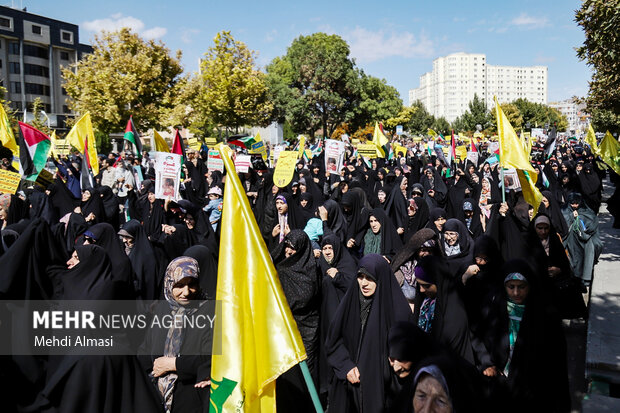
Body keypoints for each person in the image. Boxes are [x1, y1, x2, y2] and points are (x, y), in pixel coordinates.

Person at [473, 259, 570, 413]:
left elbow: (555, 356)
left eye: (522, 287)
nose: (516, 293)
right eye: (511, 287)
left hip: (531, 387)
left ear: (530, 286)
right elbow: (477, 336)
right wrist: (486, 362)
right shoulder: (492, 306)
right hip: (498, 381)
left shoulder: (545, 313)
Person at [325, 254, 414, 412]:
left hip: (382, 392)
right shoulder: (351, 302)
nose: (364, 283)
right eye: (360, 277)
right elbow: (333, 341)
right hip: (349, 391)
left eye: (370, 278)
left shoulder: (398, 312)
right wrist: (345, 365)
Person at [139, 256, 212, 413]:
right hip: (156, 398)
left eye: (192, 285)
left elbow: (212, 358)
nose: (186, 292)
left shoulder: (209, 312)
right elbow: (145, 350)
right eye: (179, 285)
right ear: (169, 284)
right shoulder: (162, 310)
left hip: (192, 399)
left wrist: (174, 364)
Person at [562, 192, 602, 286]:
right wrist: (571, 217)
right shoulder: (564, 211)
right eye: (572, 203)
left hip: (584, 241)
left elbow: (593, 224)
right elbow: (561, 225)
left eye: (577, 203)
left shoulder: (587, 211)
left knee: (590, 249)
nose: (575, 206)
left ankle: (583, 279)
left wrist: (580, 220)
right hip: (569, 240)